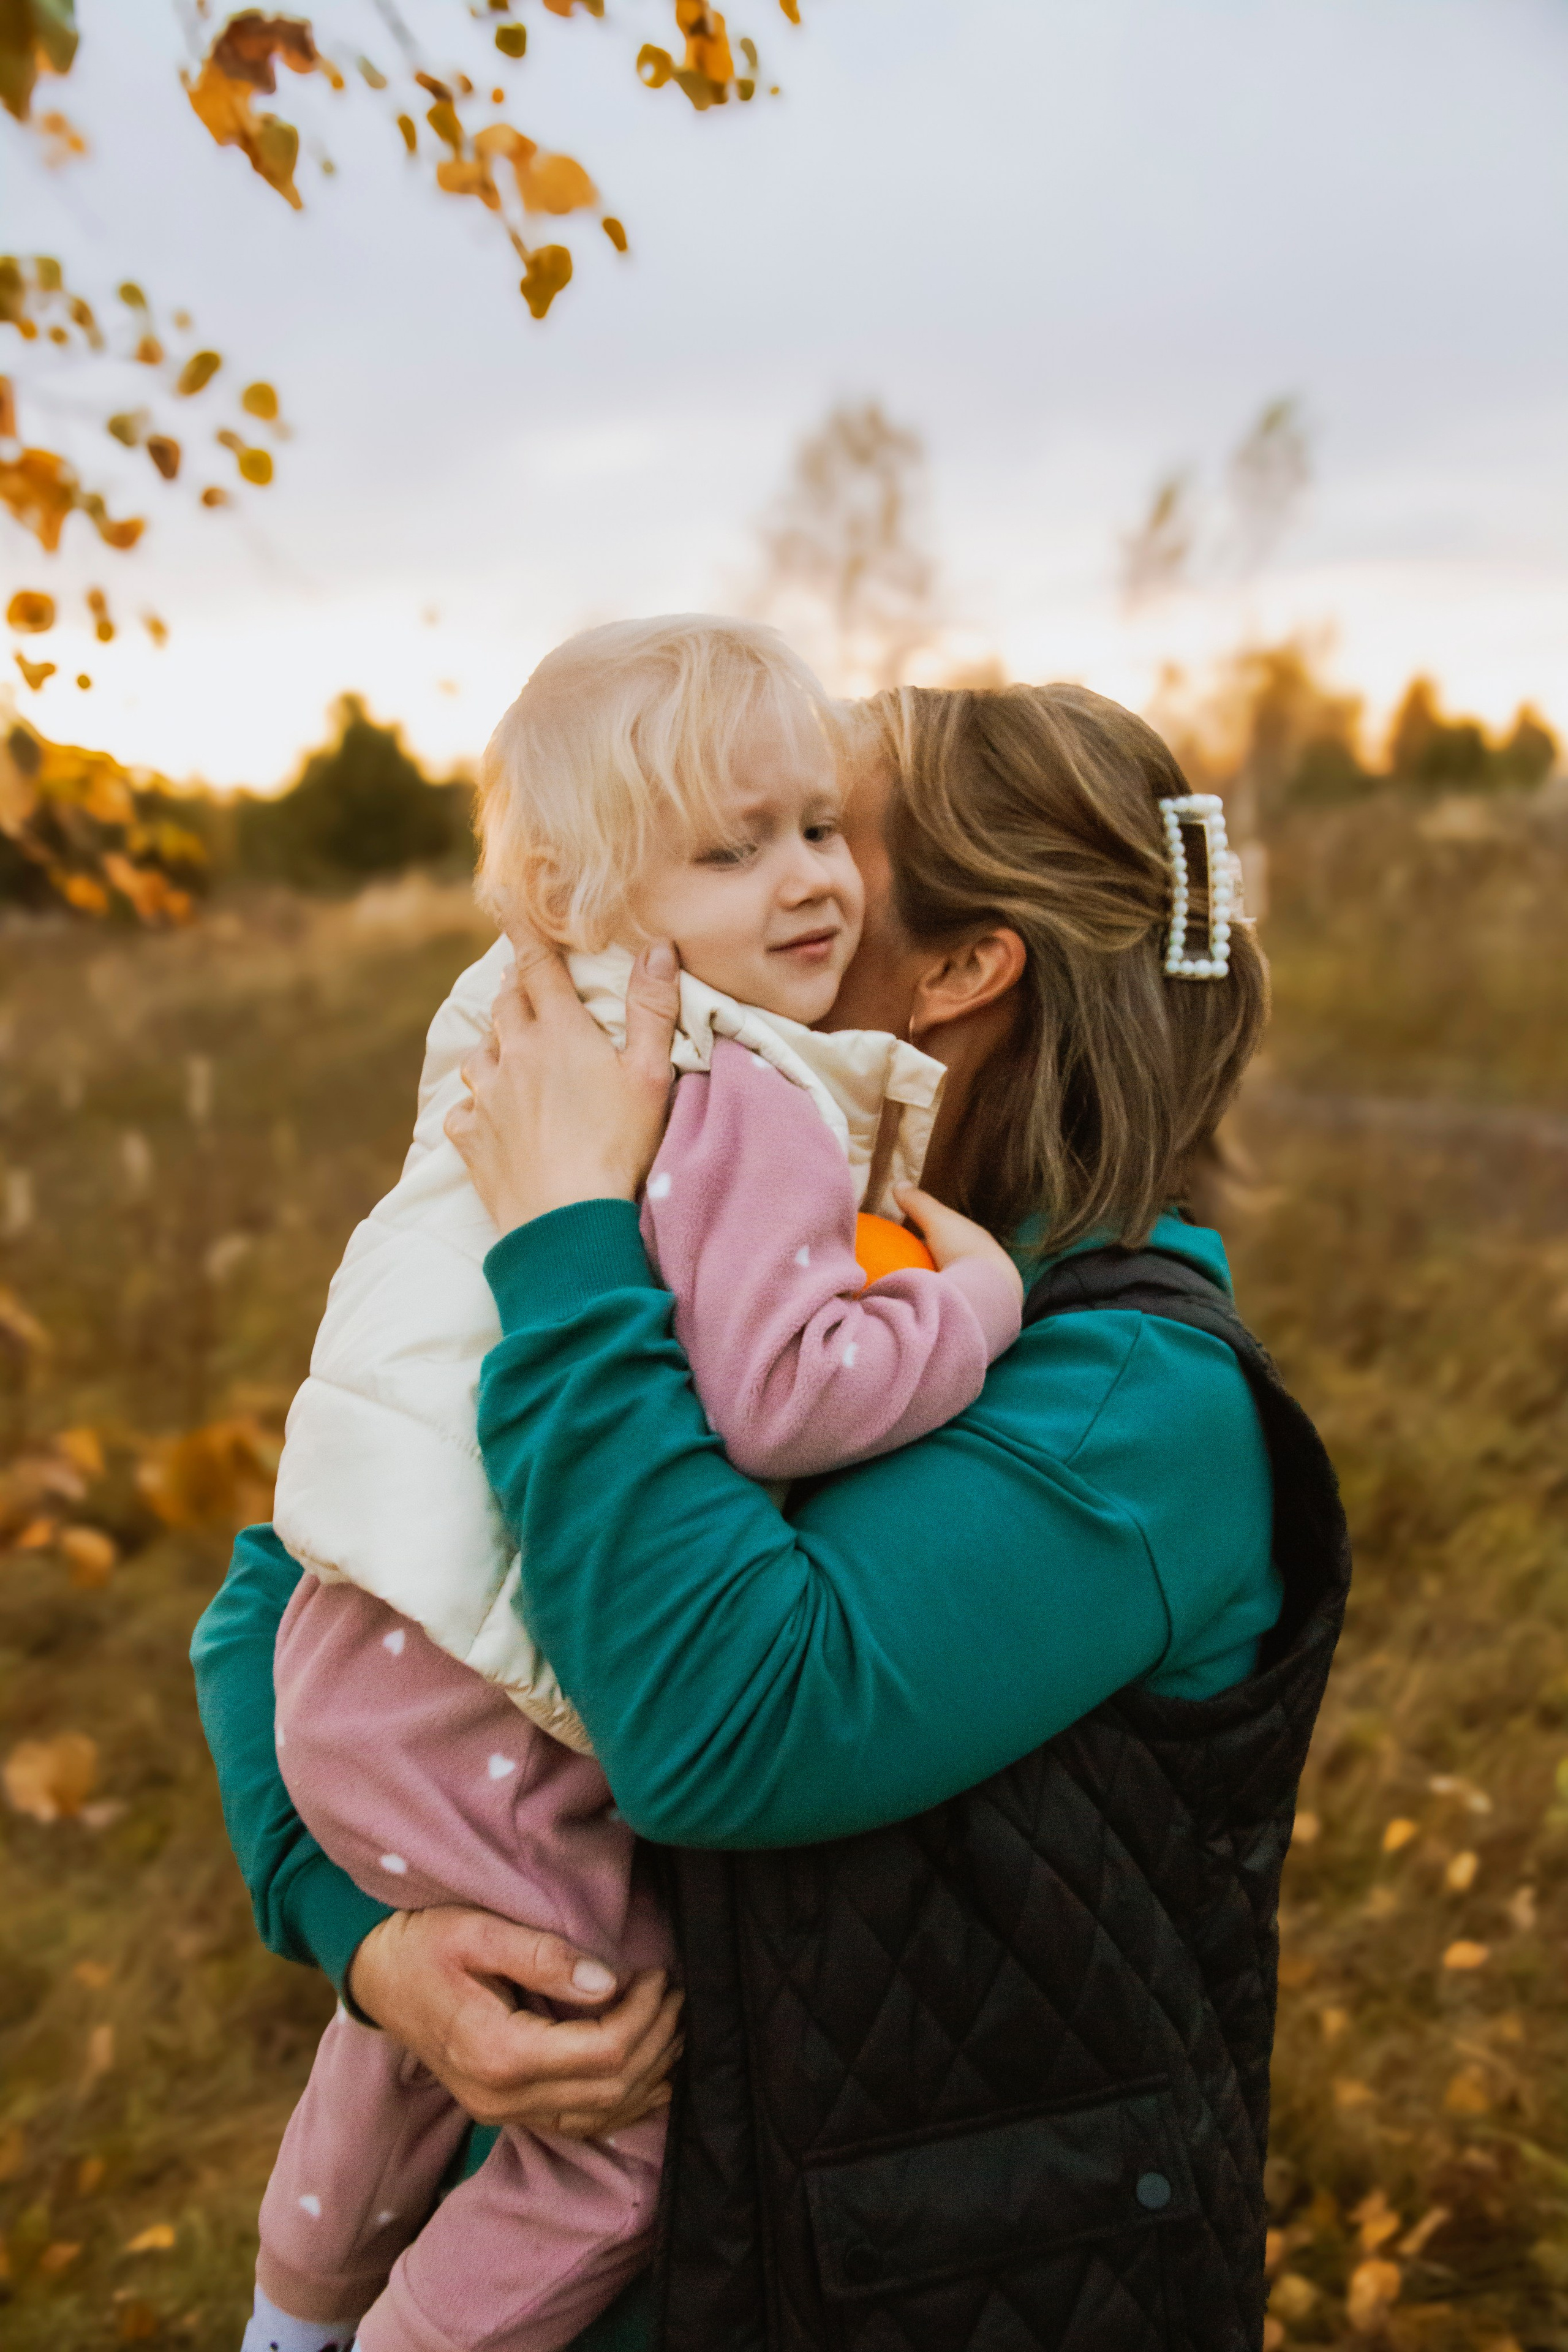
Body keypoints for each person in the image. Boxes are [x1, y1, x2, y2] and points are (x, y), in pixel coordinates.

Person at [195, 680, 1350, 2352]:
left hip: (944, 2289)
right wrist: (377, 1947)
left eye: (818, 832)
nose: (757, 868)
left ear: (961, 971)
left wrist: (570, 1238)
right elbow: (282, 1595)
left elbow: (721, 1726)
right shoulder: (734, 1227)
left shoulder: (1132, 1413)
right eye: (730, 837)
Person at [242, 619, 1026, 2352]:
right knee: (606, 2108)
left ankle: (291, 2311)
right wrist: (969, 1302)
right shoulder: (742, 1092)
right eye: (730, 851)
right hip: (481, 1707)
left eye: (818, 826)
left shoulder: (521, 1035)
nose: (810, 881)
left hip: (352, 1650)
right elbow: (776, 1392)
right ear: (587, 897)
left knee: (426, 2015)